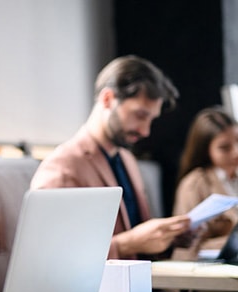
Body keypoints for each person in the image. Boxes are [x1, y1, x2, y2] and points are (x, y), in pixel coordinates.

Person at [30, 55, 190, 260]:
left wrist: (168, 239)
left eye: (151, 119)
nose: (145, 131)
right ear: (107, 99)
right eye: (140, 115)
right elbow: (53, 255)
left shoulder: (127, 160)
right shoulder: (63, 167)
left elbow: (136, 237)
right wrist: (125, 244)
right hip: (102, 291)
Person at [172, 107, 238, 260]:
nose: (236, 152)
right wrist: (230, 243)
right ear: (206, 149)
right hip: (205, 274)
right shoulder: (195, 184)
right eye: (224, 148)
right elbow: (189, 246)